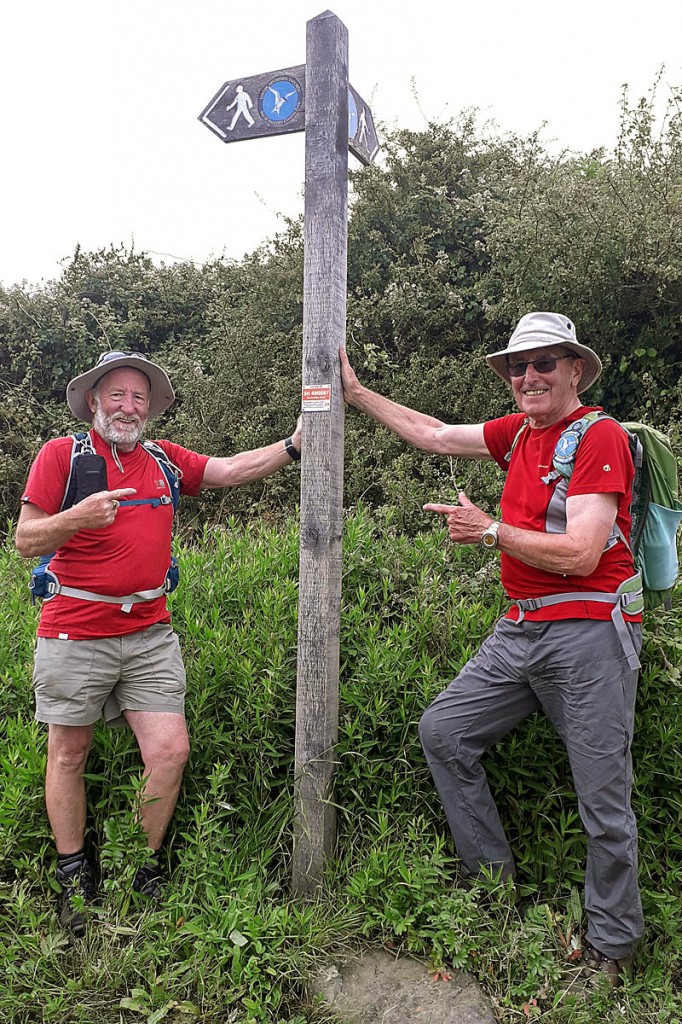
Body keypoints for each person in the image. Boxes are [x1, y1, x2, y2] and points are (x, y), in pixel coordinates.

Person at [340, 311, 643, 988]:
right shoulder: (521, 434)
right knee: (445, 731)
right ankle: (493, 893)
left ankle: (612, 947)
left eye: (543, 363)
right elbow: (435, 434)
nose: (528, 376)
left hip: (590, 632)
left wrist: (489, 534)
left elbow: (584, 551)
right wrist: (357, 393)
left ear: (573, 369)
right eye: (517, 366)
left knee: (603, 798)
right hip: (520, 630)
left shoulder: (598, 438)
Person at [15, 350, 302, 937]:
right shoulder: (60, 457)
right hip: (75, 629)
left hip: (149, 632)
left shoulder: (164, 460)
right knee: (68, 754)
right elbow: (25, 538)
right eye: (116, 395)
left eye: (139, 397)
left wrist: (293, 446)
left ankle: (136, 868)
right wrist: (77, 517)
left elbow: (228, 471)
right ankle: (75, 878)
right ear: (94, 400)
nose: (128, 406)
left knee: (169, 750)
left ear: (151, 407)